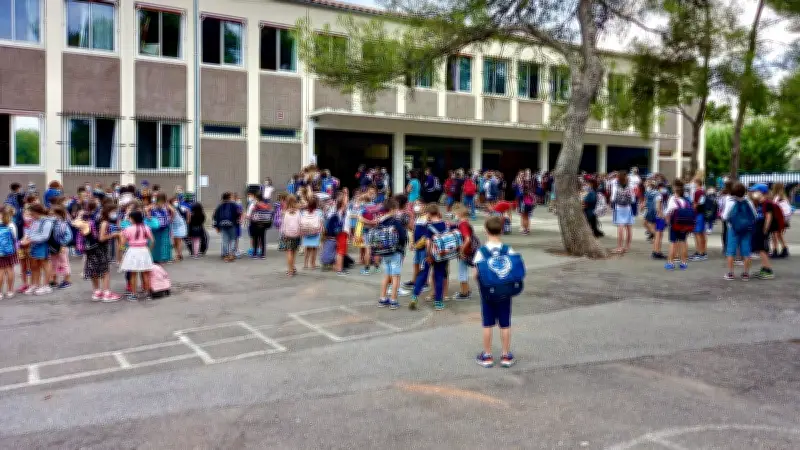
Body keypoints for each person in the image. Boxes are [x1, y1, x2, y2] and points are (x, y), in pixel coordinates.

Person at [473, 216, 520, 368]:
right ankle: (506, 355)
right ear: (501, 231)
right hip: (505, 291)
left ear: (486, 230)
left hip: (487, 292)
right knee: (505, 324)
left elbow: (476, 273)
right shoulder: (508, 250)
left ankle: (487, 355)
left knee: (487, 324)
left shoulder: (481, 252)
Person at [409, 203, 449, 311]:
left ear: (428, 214)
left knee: (422, 275)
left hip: (430, 255)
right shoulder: (445, 224)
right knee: (439, 277)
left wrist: (429, 255)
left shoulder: (429, 226)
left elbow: (427, 242)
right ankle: (438, 302)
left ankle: (415, 296)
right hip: (442, 255)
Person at [376, 198, 409, 309]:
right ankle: (393, 300)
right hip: (395, 252)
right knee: (395, 276)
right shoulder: (395, 221)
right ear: (393, 209)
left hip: (384, 252)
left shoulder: (381, 221)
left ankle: (382, 298)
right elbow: (403, 236)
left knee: (386, 275)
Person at [720, 182, 756, 281]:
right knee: (746, 251)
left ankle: (731, 273)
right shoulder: (748, 201)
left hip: (733, 229)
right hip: (746, 229)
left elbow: (724, 216)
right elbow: (754, 215)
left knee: (730, 251)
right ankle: (745, 274)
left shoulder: (730, 201)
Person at [119, 210, 154, 300]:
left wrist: (123, 251)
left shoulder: (128, 229)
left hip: (133, 251)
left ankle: (134, 294)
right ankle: (147, 294)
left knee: (133, 274)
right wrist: (149, 249)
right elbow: (152, 240)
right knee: (145, 273)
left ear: (133, 219)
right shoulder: (146, 227)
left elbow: (122, 243)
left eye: (130, 218)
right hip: (144, 250)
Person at [748, 183, 776, 280]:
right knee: (760, 250)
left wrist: (765, 229)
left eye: (756, 191)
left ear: (762, 192)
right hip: (758, 229)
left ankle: (768, 270)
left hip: (762, 230)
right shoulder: (760, 203)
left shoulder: (767, 203)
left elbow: (768, 217)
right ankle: (764, 268)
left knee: (762, 250)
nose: (753, 193)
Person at [664, 180, 691, 271]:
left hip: (674, 224)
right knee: (683, 242)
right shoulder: (686, 199)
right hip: (684, 224)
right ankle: (683, 263)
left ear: (675, 188)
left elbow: (668, 212)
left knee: (673, 242)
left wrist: (667, 221)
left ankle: (670, 263)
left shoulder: (672, 198)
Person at [453, 205, 475, 300]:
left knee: (462, 272)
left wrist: (461, 250)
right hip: (468, 250)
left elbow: (467, 239)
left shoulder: (463, 224)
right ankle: (466, 290)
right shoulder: (466, 223)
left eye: (455, 213)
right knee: (464, 271)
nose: (454, 215)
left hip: (465, 251)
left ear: (459, 214)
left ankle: (464, 293)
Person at [213, 192, 241, 262]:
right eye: (231, 196)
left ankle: (225, 255)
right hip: (232, 224)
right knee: (233, 239)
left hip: (222, 225)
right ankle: (231, 254)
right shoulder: (234, 205)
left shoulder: (220, 206)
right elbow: (238, 214)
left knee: (225, 240)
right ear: (229, 197)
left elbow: (215, 216)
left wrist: (216, 226)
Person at [611, 172, 634, 254]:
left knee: (620, 228)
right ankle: (627, 246)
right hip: (628, 207)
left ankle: (619, 247)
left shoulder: (615, 186)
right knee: (629, 228)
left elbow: (613, 198)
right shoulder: (630, 186)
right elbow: (633, 199)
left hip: (619, 207)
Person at [279, 195, 302, 276]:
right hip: (296, 234)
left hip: (287, 234)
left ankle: (290, 270)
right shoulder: (298, 212)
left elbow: (284, 225)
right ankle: (293, 267)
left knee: (289, 252)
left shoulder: (286, 213)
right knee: (294, 252)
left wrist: (283, 234)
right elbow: (300, 223)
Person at [0, 206, 18, 298]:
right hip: (9, 251)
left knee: (1, 271)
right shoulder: (11, 224)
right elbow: (15, 238)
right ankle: (10, 291)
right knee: (10, 269)